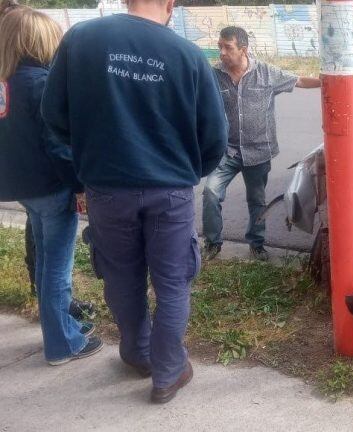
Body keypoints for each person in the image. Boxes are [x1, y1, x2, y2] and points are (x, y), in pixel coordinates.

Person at [41, 0, 227, 403]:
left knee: (121, 278)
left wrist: (80, 177)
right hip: (170, 191)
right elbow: (215, 137)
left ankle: (138, 354)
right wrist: (185, 174)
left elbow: (53, 118)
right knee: (173, 283)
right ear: (170, 5)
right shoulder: (189, 55)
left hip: (106, 189)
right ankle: (167, 372)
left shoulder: (80, 39)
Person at [0, 7, 103, 365]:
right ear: (38, 41)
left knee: (46, 263)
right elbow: (58, 145)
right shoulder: (41, 83)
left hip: (22, 189)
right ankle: (62, 343)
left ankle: (61, 326)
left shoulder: (6, 83)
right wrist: (79, 186)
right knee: (56, 267)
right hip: (51, 187)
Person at [202, 26, 321, 261]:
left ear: (243, 49)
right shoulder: (213, 74)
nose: (222, 53)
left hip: (258, 151)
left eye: (228, 47)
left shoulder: (266, 73)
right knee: (210, 193)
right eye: (220, 47)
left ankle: (257, 244)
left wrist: (328, 82)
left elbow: (298, 81)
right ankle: (213, 243)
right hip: (227, 151)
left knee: (257, 200)